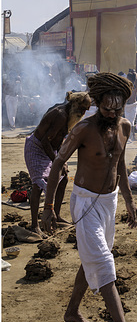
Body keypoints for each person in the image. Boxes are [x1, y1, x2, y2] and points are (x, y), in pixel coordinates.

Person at [41, 72, 137, 322]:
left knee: (92, 257)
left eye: (117, 108)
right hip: (85, 203)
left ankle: (72, 311)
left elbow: (120, 166)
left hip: (109, 203)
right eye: (106, 108)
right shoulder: (82, 129)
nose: (111, 113)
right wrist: (49, 209)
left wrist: (129, 201)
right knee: (103, 262)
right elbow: (58, 164)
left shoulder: (125, 126)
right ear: (97, 103)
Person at [24, 91, 91, 236]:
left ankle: (57, 216)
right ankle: (35, 225)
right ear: (75, 104)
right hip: (36, 148)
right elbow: (45, 141)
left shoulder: (68, 114)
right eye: (82, 109)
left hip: (50, 149)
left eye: (86, 110)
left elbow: (59, 139)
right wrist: (56, 162)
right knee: (38, 184)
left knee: (64, 178)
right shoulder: (60, 114)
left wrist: (62, 160)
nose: (83, 113)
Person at [125, 69, 137, 140]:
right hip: (127, 106)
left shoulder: (134, 87)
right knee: (127, 121)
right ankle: (129, 136)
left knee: (131, 122)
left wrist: (135, 73)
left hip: (132, 106)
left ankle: (132, 136)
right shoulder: (126, 87)